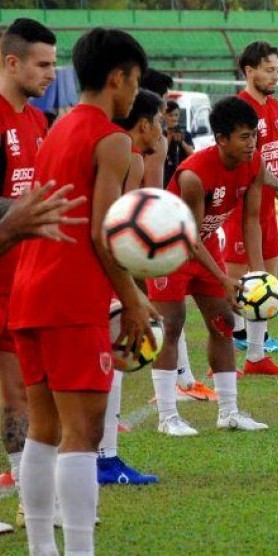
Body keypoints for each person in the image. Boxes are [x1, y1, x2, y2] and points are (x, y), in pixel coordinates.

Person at [10, 27, 155, 555]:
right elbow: (102, 232)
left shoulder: (57, 127)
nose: (136, 93)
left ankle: (42, 550)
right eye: (135, 82)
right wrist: (134, 300)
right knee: (83, 434)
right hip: (72, 299)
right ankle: (78, 550)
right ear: (117, 77)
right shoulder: (111, 137)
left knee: (43, 429)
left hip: (30, 293)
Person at [147, 96, 278, 436]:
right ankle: (168, 417)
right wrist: (223, 278)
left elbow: (252, 222)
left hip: (206, 245)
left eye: (255, 136)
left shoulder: (254, 163)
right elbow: (188, 237)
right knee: (171, 324)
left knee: (224, 323)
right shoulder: (193, 177)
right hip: (170, 249)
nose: (252, 144)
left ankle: (229, 412)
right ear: (221, 139)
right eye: (244, 137)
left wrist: (256, 276)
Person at [0, 16, 54, 535]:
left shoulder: (36, 122)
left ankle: (24, 499)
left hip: (20, 282)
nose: (50, 74)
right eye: (42, 64)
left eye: (54, 64)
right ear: (11, 62)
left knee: (19, 395)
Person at [97, 89, 164, 487]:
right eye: (159, 119)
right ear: (143, 124)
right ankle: (104, 459)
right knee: (113, 361)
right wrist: (132, 294)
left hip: (96, 269)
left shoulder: (122, 152)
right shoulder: (129, 157)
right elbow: (119, 231)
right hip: (101, 272)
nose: (163, 127)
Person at [222, 40, 278, 374]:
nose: (275, 77)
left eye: (277, 70)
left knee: (267, 281)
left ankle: (256, 356)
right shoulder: (239, 110)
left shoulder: (275, 108)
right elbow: (253, 164)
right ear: (249, 70)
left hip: (266, 206)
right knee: (235, 287)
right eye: (269, 71)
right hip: (240, 208)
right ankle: (221, 359)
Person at [163, 99, 195, 186]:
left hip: (181, 175)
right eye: (170, 115)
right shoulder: (161, 134)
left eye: (176, 115)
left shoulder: (185, 134)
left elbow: (192, 155)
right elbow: (161, 155)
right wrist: (169, 135)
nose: (174, 118)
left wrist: (182, 142)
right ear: (164, 116)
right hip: (165, 177)